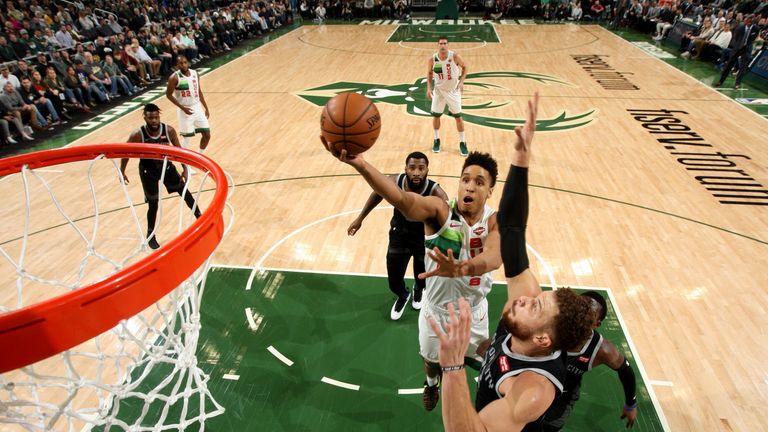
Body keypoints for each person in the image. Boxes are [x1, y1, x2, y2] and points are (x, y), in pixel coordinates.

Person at [421, 92, 594, 430]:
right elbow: (512, 229)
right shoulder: (528, 315)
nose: (526, 298)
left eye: (536, 306)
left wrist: (453, 366)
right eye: (537, 297)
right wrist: (521, 157)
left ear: (542, 340)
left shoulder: (532, 391)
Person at [323, 139, 502, 413]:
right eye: (465, 179)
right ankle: (431, 384)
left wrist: (462, 269)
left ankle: (485, 384)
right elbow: (401, 199)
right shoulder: (440, 211)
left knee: (487, 358)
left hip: (473, 313)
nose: (470, 186)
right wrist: (360, 164)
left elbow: (495, 256)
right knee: (431, 361)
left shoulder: (495, 221)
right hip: (436, 312)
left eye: (479, 182)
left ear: (490, 190)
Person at [347, 152, 449, 321]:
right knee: (393, 280)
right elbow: (377, 193)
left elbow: (448, 219)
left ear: (427, 170)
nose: (416, 172)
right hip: (399, 235)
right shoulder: (396, 181)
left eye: (421, 168)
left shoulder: (436, 191)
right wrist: (360, 218)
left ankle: (418, 289)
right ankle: (403, 294)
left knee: (422, 276)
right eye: (412, 168)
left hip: (423, 239)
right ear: (405, 169)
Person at [540, 291, 638, 430]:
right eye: (580, 309)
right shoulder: (549, 325)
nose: (581, 316)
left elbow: (626, 370)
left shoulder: (602, 350)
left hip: (562, 398)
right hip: (534, 385)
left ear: (597, 324)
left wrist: (630, 404)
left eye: (588, 315)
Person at [120, 103, 202, 250]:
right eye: (150, 118)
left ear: (159, 117)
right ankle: (151, 235)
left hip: (166, 167)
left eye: (156, 117)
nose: (154, 121)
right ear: (145, 117)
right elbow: (125, 153)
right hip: (148, 171)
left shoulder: (168, 130)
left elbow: (179, 150)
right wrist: (122, 171)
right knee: (153, 204)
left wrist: (185, 168)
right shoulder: (137, 134)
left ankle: (200, 217)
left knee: (185, 192)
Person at [427, 36, 469, 157]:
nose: (443, 45)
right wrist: (428, 88)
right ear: (438, 45)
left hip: (453, 90)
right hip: (439, 91)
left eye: (445, 43)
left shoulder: (454, 56)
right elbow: (429, 73)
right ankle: (436, 140)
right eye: (441, 43)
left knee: (458, 117)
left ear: (448, 45)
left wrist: (461, 82)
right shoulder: (433, 59)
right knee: (436, 116)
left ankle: (462, 142)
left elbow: (465, 67)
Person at [166, 55, 211, 152]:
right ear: (177, 65)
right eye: (181, 63)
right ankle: (183, 161)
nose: (184, 65)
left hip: (197, 107)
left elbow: (198, 91)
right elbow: (168, 95)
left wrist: (206, 108)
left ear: (188, 62)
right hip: (184, 110)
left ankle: (199, 155)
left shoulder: (195, 73)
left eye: (185, 62)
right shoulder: (174, 77)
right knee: (187, 138)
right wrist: (183, 108)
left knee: (207, 134)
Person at [714, 15, 759, 89]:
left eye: (749, 22)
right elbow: (736, 36)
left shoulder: (756, 28)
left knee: (743, 67)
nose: (747, 22)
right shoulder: (740, 27)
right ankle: (721, 80)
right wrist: (738, 45)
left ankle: (737, 83)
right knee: (729, 64)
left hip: (747, 49)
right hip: (737, 47)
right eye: (746, 21)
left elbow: (753, 38)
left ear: (752, 22)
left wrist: (747, 44)